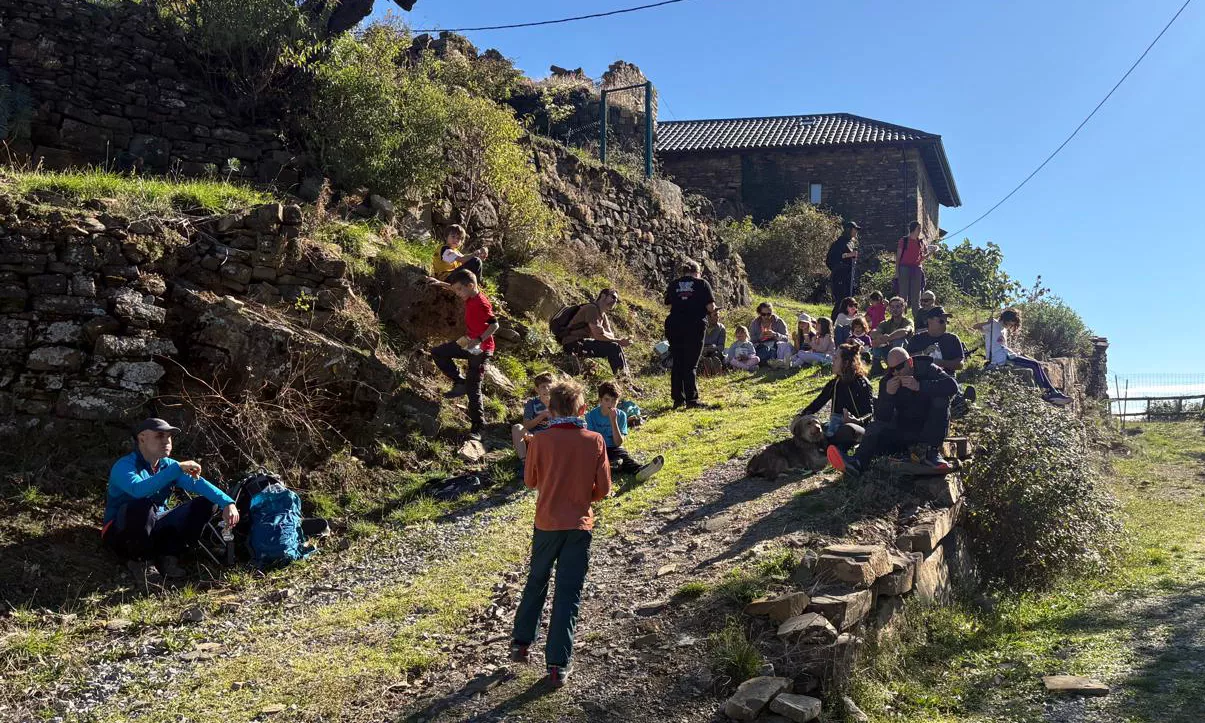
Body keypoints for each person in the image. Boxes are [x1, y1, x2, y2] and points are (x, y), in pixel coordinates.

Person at [510, 379, 611, 688]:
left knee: (537, 580)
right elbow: (603, 489)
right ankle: (557, 665)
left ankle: (521, 643)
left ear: (549, 410)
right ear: (582, 409)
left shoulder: (539, 441)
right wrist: (581, 498)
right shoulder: (594, 440)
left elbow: (530, 482)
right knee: (568, 593)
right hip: (579, 525)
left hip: (546, 523)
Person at [103, 418, 240, 579]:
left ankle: (168, 556)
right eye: (159, 436)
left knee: (207, 503)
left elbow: (198, 485)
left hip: (154, 526)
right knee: (141, 505)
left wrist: (227, 503)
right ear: (142, 438)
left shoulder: (168, 465)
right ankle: (141, 562)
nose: (166, 441)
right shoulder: (124, 466)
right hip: (122, 534)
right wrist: (176, 469)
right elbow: (138, 490)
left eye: (169, 436)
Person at [828, 347, 958, 475]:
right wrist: (888, 396)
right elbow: (881, 417)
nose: (896, 372)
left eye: (899, 367)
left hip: (929, 428)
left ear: (910, 362)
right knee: (876, 427)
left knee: (941, 399)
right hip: (904, 430)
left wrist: (920, 386)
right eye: (892, 369)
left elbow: (952, 386)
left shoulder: (927, 368)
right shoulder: (887, 381)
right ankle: (858, 462)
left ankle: (932, 453)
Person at [428, 268, 498, 441]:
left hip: (481, 349)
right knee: (438, 353)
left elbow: (495, 325)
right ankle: (460, 382)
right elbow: (455, 287)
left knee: (474, 387)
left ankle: (479, 427)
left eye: (460, 290)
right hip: (468, 341)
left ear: (471, 285)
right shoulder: (469, 295)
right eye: (456, 289)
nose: (458, 293)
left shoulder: (481, 303)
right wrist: (440, 284)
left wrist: (480, 339)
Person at [974, 308, 1073, 406]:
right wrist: (986, 322)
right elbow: (976, 326)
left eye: (1012, 325)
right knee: (1034, 365)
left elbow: (1003, 345)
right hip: (1000, 358)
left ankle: (1051, 392)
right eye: (1010, 323)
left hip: (1007, 355)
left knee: (1036, 364)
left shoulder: (1004, 329)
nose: (1010, 326)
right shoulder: (993, 325)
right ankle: (1049, 393)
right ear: (1006, 319)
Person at [663, 259, 719, 409]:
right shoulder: (702, 283)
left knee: (678, 362)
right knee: (690, 363)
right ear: (697, 272)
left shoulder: (674, 284)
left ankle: (677, 399)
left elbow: (668, 302)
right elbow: (710, 306)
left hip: (674, 325)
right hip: (694, 325)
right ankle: (692, 400)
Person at [800, 343, 874, 450]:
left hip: (857, 428)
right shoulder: (835, 383)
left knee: (847, 430)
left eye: (836, 358)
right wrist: (801, 415)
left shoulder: (861, 383)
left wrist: (857, 421)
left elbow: (870, 413)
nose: (832, 360)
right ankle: (828, 446)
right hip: (835, 426)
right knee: (816, 428)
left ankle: (828, 447)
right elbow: (818, 402)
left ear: (846, 362)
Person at [585, 381, 664, 480]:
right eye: (607, 400)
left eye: (614, 400)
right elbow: (591, 442)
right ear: (600, 400)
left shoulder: (621, 415)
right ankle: (609, 467)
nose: (611, 404)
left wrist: (613, 421)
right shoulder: (591, 416)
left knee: (624, 457)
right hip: (598, 449)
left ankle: (640, 471)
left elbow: (618, 443)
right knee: (589, 460)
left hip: (614, 448)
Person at [560, 289, 632, 379]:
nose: (615, 301)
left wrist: (602, 332)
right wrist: (617, 340)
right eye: (613, 297)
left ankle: (625, 378)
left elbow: (609, 335)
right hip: (572, 343)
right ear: (602, 296)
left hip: (581, 343)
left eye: (617, 300)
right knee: (614, 347)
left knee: (614, 346)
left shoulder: (603, 315)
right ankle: (624, 380)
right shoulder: (591, 309)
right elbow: (598, 335)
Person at [512, 372, 557, 480]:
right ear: (537, 389)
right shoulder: (531, 403)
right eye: (543, 387)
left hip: (552, 437)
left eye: (548, 386)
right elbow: (526, 425)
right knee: (517, 428)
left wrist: (550, 411)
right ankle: (524, 464)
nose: (546, 389)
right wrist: (542, 415)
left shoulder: (557, 402)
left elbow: (562, 422)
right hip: (533, 436)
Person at [905, 306, 965, 373]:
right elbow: (906, 360)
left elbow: (960, 364)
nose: (944, 324)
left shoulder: (952, 339)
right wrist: (923, 353)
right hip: (922, 378)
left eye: (947, 321)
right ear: (929, 320)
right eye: (941, 321)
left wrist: (941, 363)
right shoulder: (917, 339)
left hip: (946, 378)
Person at [870, 296, 914, 376]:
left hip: (905, 354)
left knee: (898, 340)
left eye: (897, 307)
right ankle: (876, 367)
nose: (895, 309)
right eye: (892, 307)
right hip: (889, 353)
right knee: (876, 342)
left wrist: (888, 337)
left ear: (903, 307)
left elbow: (904, 331)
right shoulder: (885, 323)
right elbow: (873, 333)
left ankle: (896, 368)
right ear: (889, 308)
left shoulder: (907, 321)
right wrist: (880, 337)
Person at [826, 220, 860, 320]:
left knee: (849, 301)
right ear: (849, 230)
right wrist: (849, 255)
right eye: (855, 230)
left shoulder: (851, 243)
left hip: (848, 276)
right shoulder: (839, 243)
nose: (856, 232)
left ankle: (846, 322)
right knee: (841, 301)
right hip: (839, 276)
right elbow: (832, 259)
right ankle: (834, 322)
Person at [896, 221, 929, 317]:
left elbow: (921, 258)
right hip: (904, 268)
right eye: (919, 228)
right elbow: (898, 257)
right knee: (903, 295)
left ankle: (917, 320)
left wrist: (929, 253)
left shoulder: (920, 242)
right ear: (913, 229)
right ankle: (901, 318)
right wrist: (896, 272)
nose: (920, 231)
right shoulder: (904, 240)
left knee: (916, 296)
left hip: (916, 269)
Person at [750, 302, 792, 368]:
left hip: (775, 345)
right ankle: (776, 362)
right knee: (764, 351)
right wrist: (759, 337)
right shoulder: (755, 323)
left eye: (769, 314)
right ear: (759, 313)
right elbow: (751, 340)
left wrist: (775, 335)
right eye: (763, 314)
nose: (766, 316)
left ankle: (773, 362)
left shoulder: (778, 322)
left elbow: (786, 338)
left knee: (780, 348)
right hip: (761, 346)